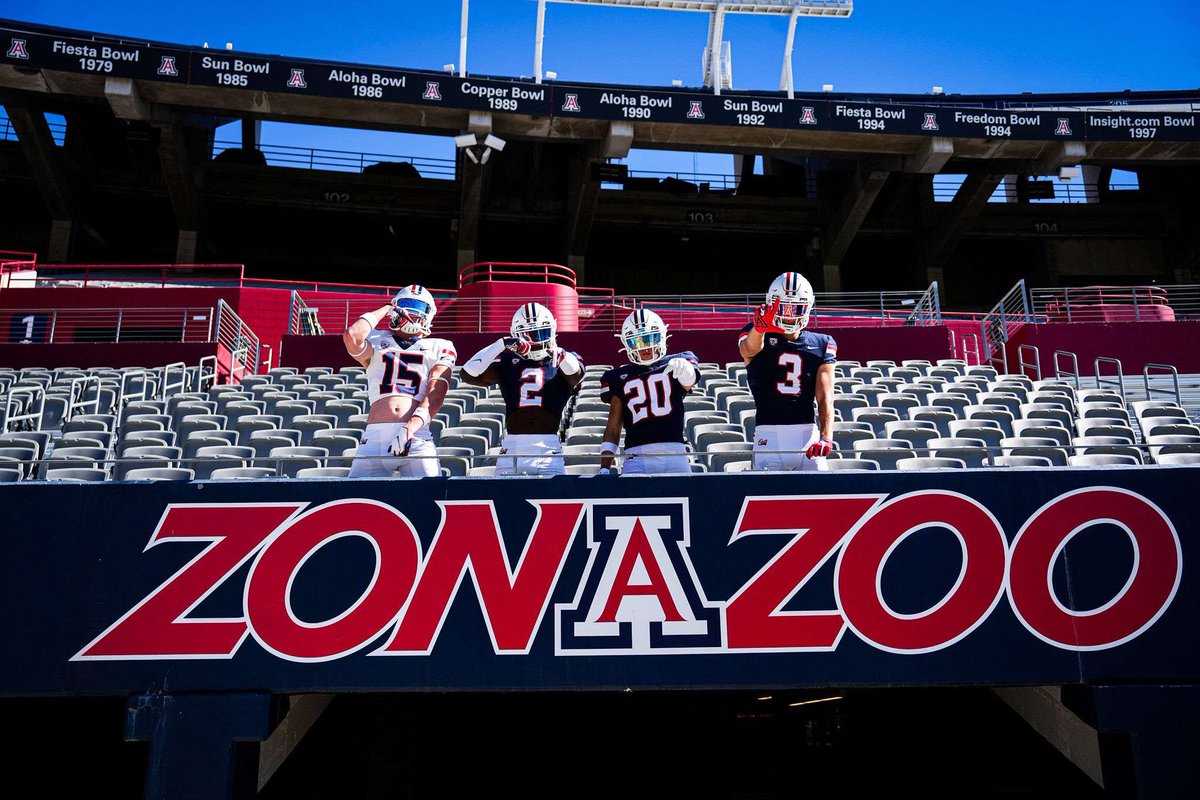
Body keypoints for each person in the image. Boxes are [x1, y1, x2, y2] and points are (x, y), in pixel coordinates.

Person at [342, 285, 456, 477]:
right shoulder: (377, 339)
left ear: (429, 315)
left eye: (418, 307)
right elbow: (352, 335)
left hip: (416, 436)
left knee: (429, 499)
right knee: (358, 501)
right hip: (375, 438)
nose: (411, 312)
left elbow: (435, 394)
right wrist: (387, 308)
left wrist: (410, 428)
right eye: (406, 305)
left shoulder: (440, 346)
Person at [461, 302, 583, 475]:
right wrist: (501, 344)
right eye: (530, 335)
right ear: (517, 335)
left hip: (547, 447)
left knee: (550, 500)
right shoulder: (507, 360)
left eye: (542, 332)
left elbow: (576, 375)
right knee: (505, 500)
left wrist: (561, 354)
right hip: (512, 445)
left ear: (553, 330)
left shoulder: (562, 359)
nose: (537, 340)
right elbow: (467, 374)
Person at [738, 271, 836, 471]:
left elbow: (825, 397)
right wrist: (759, 328)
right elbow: (748, 349)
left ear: (808, 307)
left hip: (808, 435)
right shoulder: (756, 332)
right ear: (771, 305)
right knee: (765, 500)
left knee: (818, 499)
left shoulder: (822, 343)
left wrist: (826, 437)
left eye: (797, 308)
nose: (790, 315)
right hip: (768, 435)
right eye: (784, 307)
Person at [599, 309, 699, 475]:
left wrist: (686, 370)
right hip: (636, 456)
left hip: (674, 452)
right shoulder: (618, 377)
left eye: (649, 339)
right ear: (626, 344)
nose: (645, 347)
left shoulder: (678, 362)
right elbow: (614, 427)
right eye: (636, 342)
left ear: (662, 336)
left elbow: (690, 382)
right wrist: (604, 467)